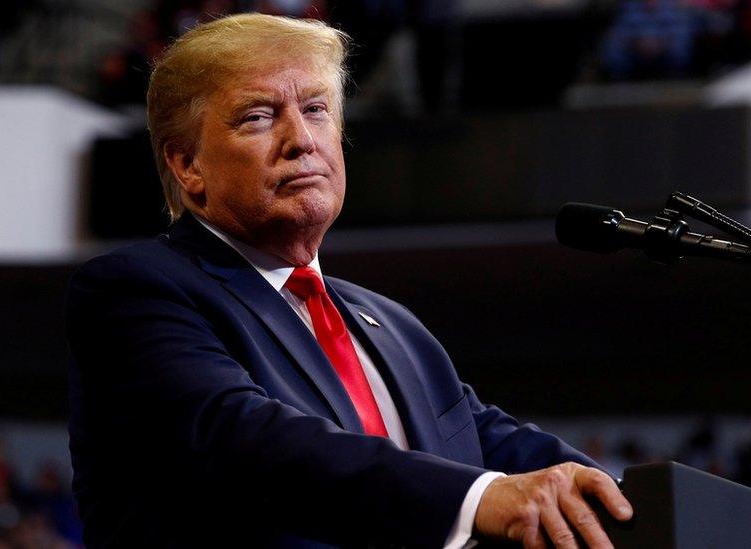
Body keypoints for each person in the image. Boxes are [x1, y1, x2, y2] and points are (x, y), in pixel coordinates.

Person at [66, 13, 633, 548]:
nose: (301, 139)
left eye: (315, 110)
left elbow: (489, 440)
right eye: (260, 116)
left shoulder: (391, 326)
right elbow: (245, 442)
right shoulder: (137, 291)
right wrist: (479, 496)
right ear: (189, 165)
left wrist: (640, 504)